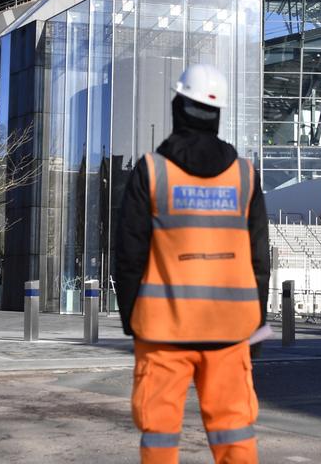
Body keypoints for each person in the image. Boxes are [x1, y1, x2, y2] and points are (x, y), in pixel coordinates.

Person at [115, 63, 269, 464]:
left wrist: (134, 321)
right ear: (217, 115)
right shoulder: (244, 177)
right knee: (235, 432)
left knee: (160, 434)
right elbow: (259, 261)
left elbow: (129, 257)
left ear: (178, 106)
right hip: (230, 330)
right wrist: (254, 328)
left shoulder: (151, 172)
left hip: (163, 331)